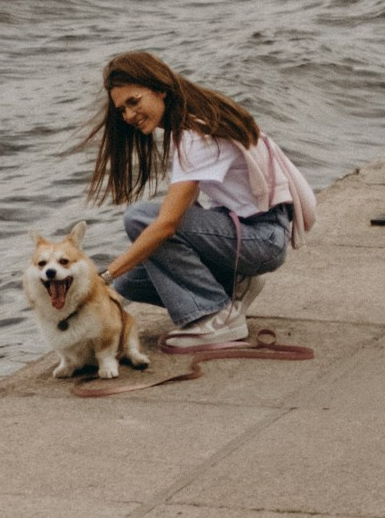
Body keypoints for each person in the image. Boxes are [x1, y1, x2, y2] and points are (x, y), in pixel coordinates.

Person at [86, 48, 310, 349]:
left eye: (133, 102)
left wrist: (105, 277)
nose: (128, 116)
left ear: (160, 89)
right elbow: (184, 209)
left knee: (140, 218)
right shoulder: (190, 124)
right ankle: (235, 286)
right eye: (121, 110)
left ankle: (216, 314)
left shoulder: (196, 134)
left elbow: (167, 224)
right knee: (131, 283)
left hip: (261, 236)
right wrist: (117, 281)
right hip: (251, 232)